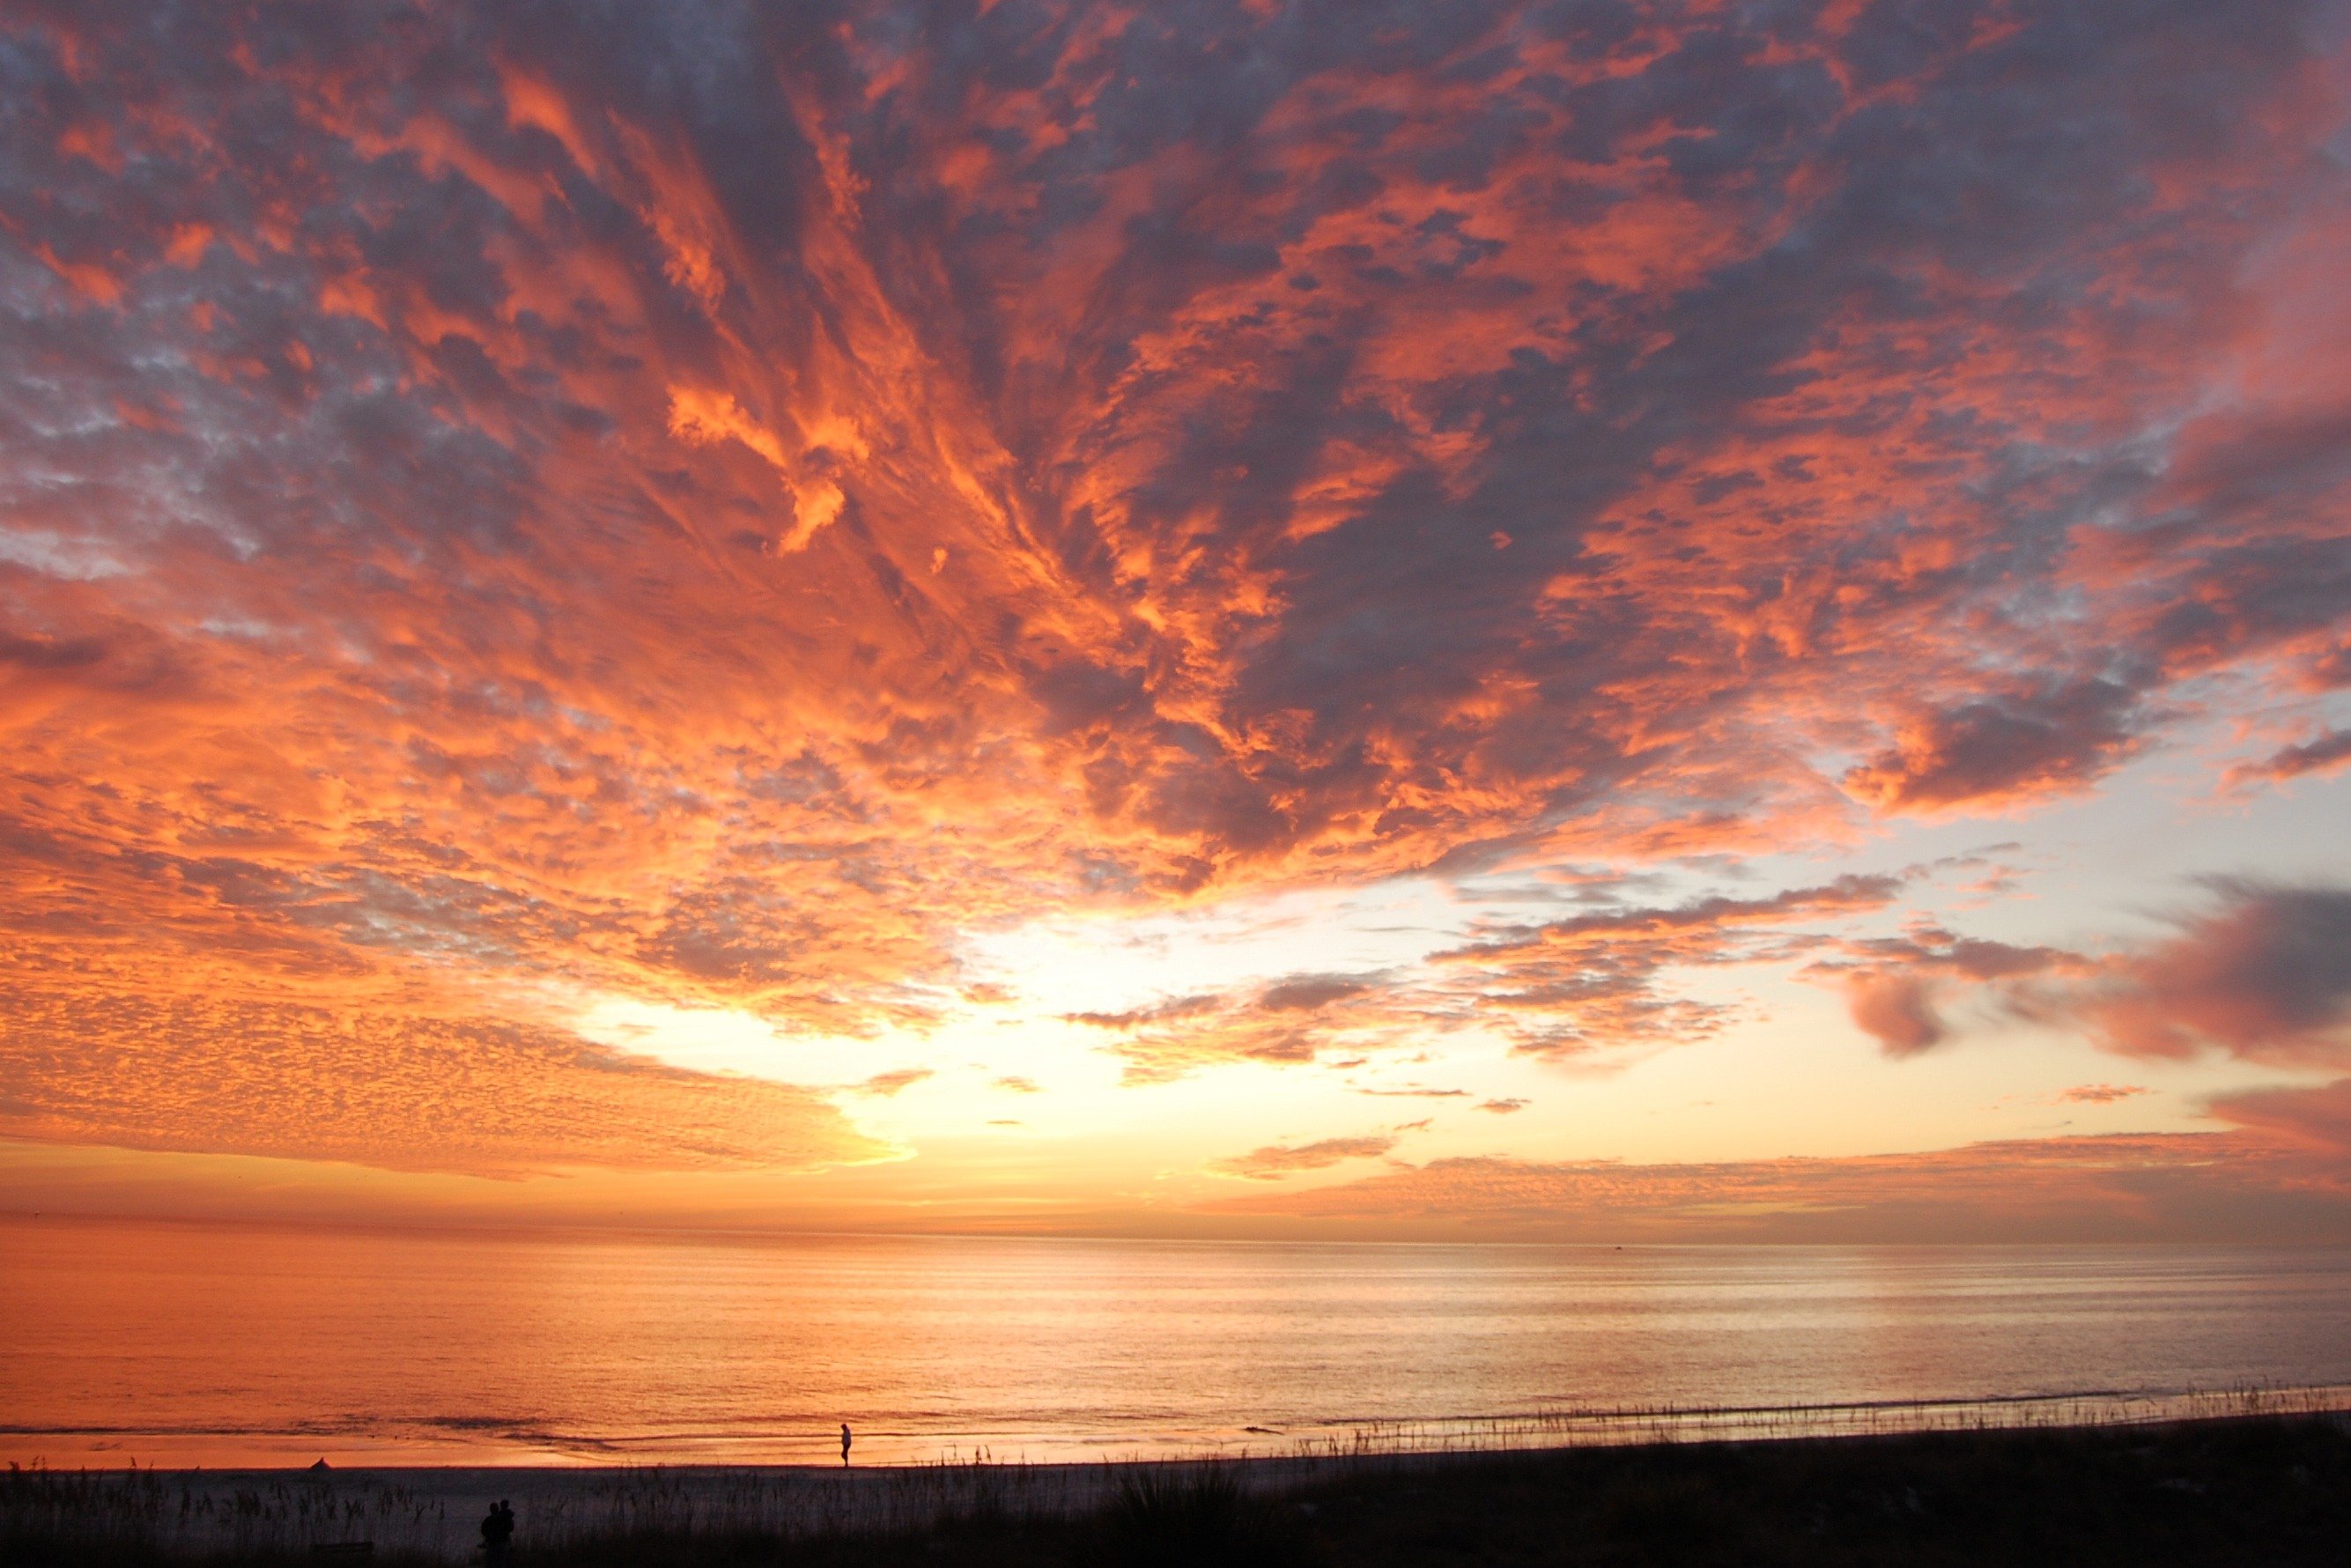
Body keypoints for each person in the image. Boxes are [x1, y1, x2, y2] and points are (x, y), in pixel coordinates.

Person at [480, 1498, 514, 1563]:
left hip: (492, 1545)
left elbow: (483, 1531)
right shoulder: (505, 1517)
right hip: (503, 1544)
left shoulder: (488, 1520)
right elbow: (511, 1528)